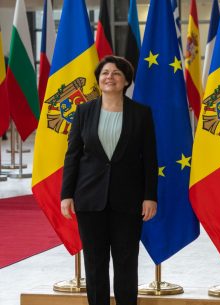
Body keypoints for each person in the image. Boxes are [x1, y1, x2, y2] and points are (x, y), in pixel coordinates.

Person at [60, 55, 158, 305]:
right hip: (89, 200)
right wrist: (66, 194)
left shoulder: (141, 113)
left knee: (126, 264)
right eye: (105, 73)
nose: (109, 77)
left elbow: (149, 158)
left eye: (116, 73)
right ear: (98, 79)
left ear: (126, 81)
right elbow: (73, 155)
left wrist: (150, 196)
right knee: (94, 265)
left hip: (128, 201)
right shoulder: (83, 111)